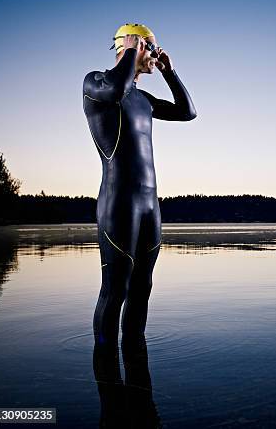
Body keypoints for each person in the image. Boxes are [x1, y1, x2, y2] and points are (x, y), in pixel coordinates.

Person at [83, 23, 197, 353]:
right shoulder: (96, 83)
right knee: (114, 288)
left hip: (150, 205)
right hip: (118, 203)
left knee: (142, 287)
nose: (156, 53)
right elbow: (116, 88)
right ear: (133, 45)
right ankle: (104, 366)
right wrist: (132, 50)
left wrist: (170, 72)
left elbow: (187, 112)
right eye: (152, 47)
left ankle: (135, 363)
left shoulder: (143, 99)